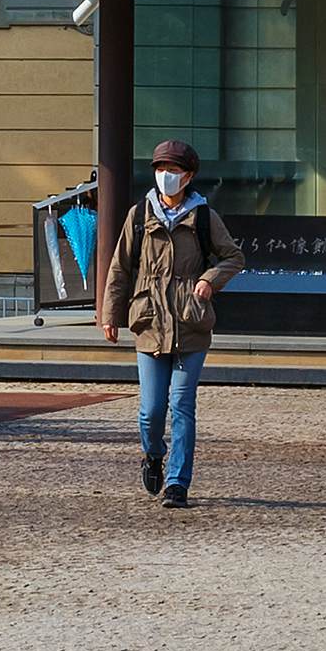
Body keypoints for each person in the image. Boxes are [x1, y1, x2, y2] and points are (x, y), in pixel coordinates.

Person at [98, 137, 242, 508]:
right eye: (161, 169)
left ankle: (178, 483)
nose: (166, 176)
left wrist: (210, 279)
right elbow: (120, 268)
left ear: (189, 175)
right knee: (151, 411)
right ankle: (152, 454)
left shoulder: (204, 216)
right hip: (148, 321)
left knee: (182, 404)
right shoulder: (139, 214)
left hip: (190, 322)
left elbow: (233, 257)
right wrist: (110, 314)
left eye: (173, 170)